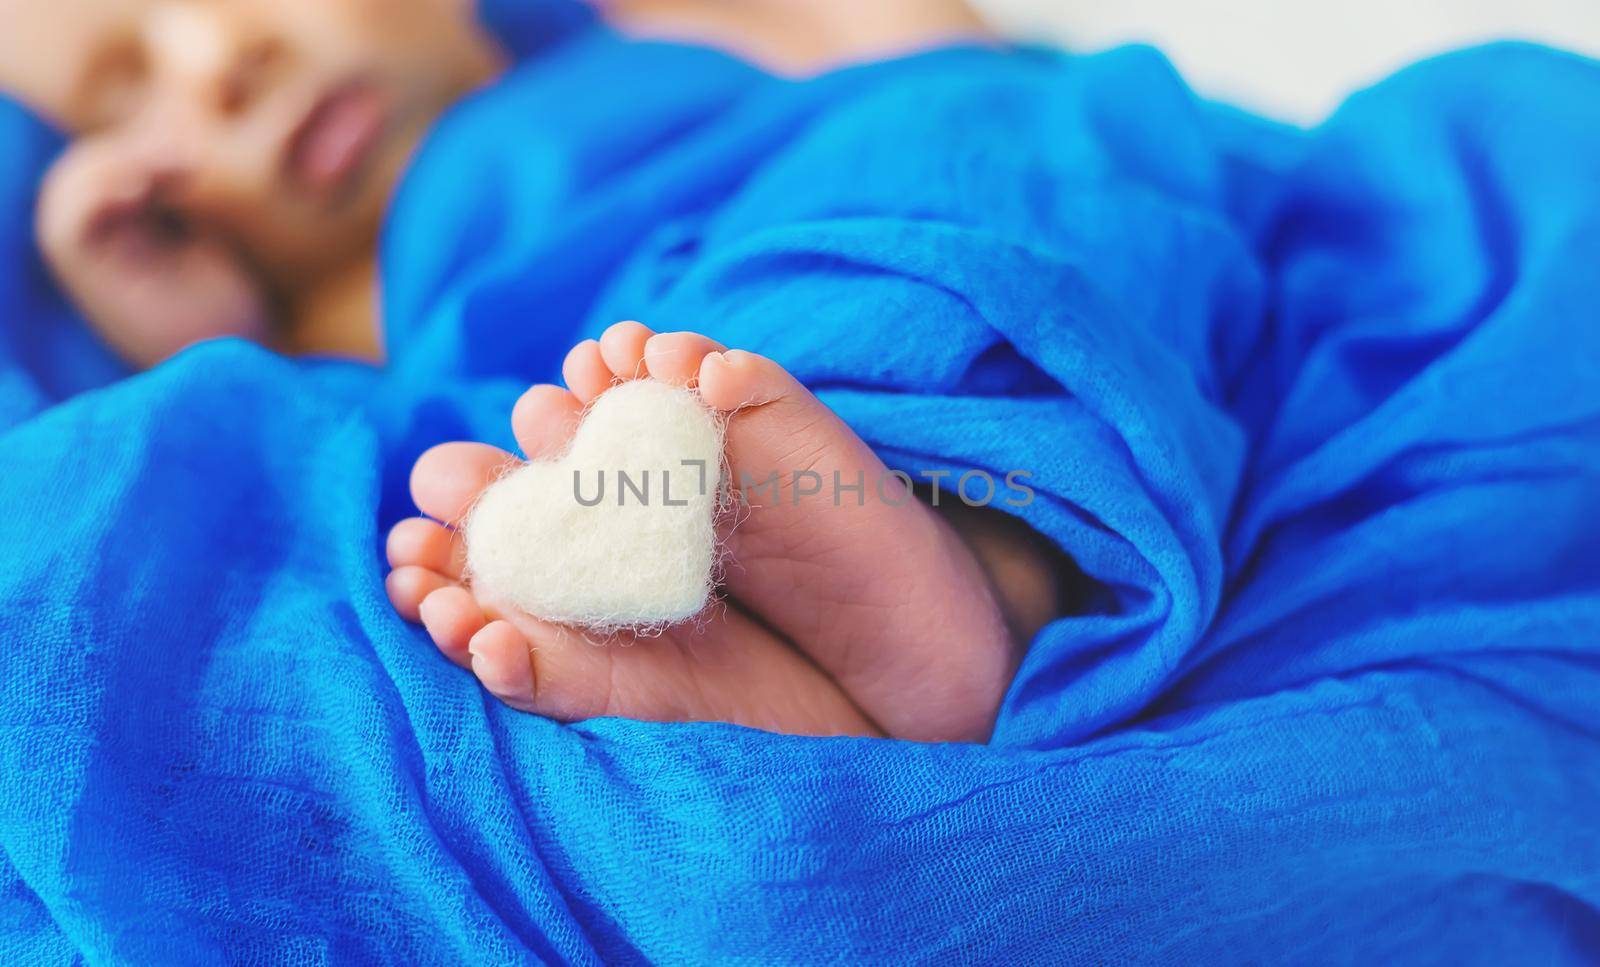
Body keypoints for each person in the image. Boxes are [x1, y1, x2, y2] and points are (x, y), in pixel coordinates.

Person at [0, 0, 1064, 740]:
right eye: (122, 106)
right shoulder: (333, 295)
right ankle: (776, 655)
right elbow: (297, 442)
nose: (221, 62)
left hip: (794, 245)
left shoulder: (650, 32)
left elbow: (959, 81)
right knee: (459, 472)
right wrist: (197, 332)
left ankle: (942, 615)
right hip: (599, 417)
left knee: (924, 235)